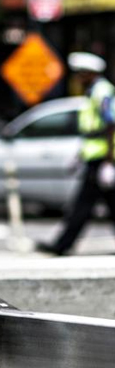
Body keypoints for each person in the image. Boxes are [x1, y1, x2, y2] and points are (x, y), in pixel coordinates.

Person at [39, 52, 115, 255]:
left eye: (81, 74)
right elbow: (92, 131)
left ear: (90, 73)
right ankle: (63, 244)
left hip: (101, 158)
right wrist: (80, 156)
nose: (78, 78)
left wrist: (109, 161)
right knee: (103, 204)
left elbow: (111, 125)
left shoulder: (102, 92)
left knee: (83, 204)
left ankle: (62, 245)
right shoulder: (93, 91)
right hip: (94, 157)